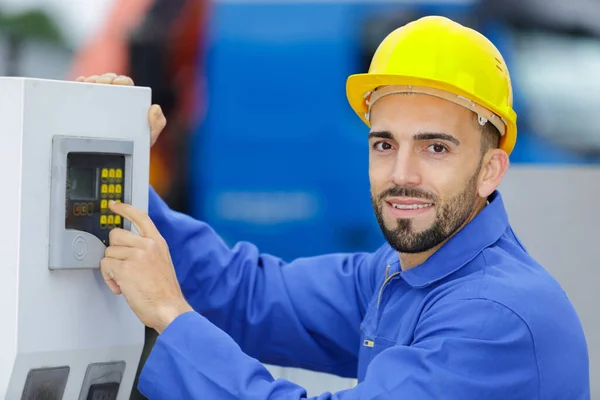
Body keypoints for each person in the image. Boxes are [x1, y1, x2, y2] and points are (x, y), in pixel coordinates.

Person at [86, 16, 590, 399]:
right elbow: (249, 294)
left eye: (436, 147)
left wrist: (172, 317)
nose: (402, 175)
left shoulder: (492, 317)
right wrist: (118, 176)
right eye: (385, 144)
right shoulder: (402, 275)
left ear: (490, 170)